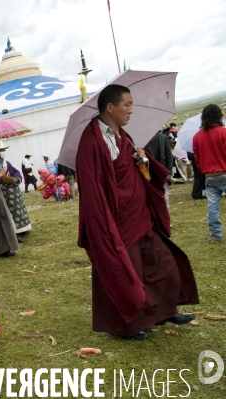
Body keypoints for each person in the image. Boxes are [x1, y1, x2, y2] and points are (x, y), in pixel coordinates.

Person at [76, 84, 199, 340]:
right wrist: (104, 226)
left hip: (139, 214)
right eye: (127, 104)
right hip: (116, 219)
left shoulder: (124, 135)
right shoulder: (91, 141)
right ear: (111, 107)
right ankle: (127, 325)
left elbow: (134, 167)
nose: (131, 110)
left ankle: (164, 310)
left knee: (160, 262)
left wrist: (142, 159)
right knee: (124, 271)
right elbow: (92, 188)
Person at [193, 104, 226, 243]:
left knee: (212, 208)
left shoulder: (197, 136)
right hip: (224, 171)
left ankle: (215, 236)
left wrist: (203, 171)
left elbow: (197, 157)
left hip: (209, 176)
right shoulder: (223, 132)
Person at [0, 140, 32, 238]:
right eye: (2, 150)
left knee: (19, 208)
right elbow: (0, 178)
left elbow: (15, 171)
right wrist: (12, 180)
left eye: (4, 149)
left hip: (14, 190)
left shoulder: (7, 163)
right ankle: (15, 231)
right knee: (11, 211)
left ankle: (23, 228)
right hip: (6, 192)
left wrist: (17, 178)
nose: (4, 151)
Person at [144, 129, 174, 208]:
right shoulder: (142, 139)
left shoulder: (162, 137)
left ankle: (165, 217)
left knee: (165, 198)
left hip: (162, 173)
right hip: (148, 174)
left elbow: (169, 156)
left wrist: (169, 172)